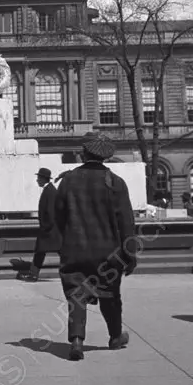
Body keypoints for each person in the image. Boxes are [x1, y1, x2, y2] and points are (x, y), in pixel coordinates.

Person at [54, 133, 136, 361]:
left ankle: (77, 340)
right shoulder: (116, 183)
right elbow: (126, 223)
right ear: (106, 157)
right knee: (110, 296)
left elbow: (57, 217)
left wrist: (62, 245)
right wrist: (130, 255)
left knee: (76, 297)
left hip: (75, 248)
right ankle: (115, 336)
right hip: (108, 253)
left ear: (84, 152)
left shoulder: (68, 180)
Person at [18, 168, 61, 282]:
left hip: (49, 230)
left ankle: (33, 275)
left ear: (43, 179)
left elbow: (51, 212)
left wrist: (45, 227)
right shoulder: (49, 190)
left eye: (38, 178)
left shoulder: (50, 191)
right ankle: (33, 274)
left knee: (43, 251)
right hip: (50, 230)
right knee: (44, 251)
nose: (37, 180)